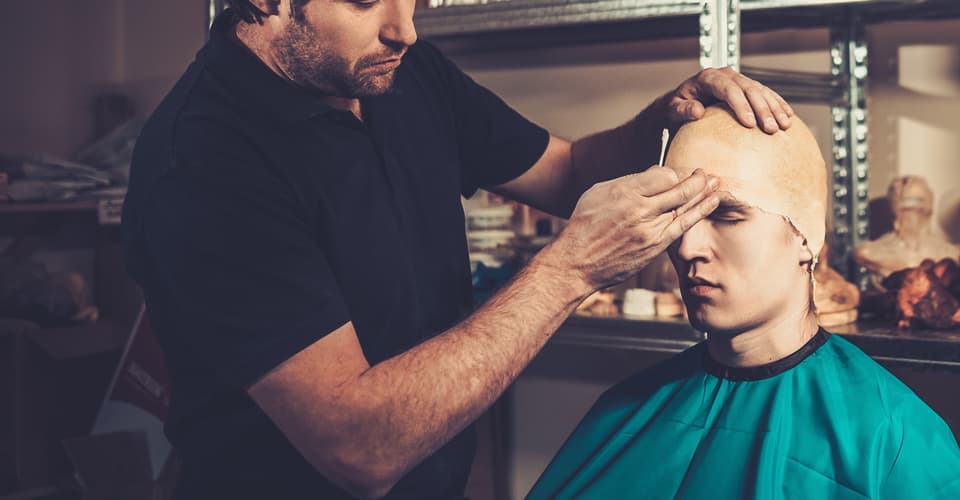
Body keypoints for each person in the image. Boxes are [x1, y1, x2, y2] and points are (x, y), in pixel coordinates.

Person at [120, 0, 795, 498]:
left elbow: (564, 172)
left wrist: (662, 117)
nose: (404, 28)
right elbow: (358, 447)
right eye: (365, 1)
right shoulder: (204, 161)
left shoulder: (398, 71)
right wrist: (570, 270)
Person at [526, 105, 960, 500]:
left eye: (727, 216)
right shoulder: (621, 411)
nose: (687, 246)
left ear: (806, 236)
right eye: (680, 216)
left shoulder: (895, 443)